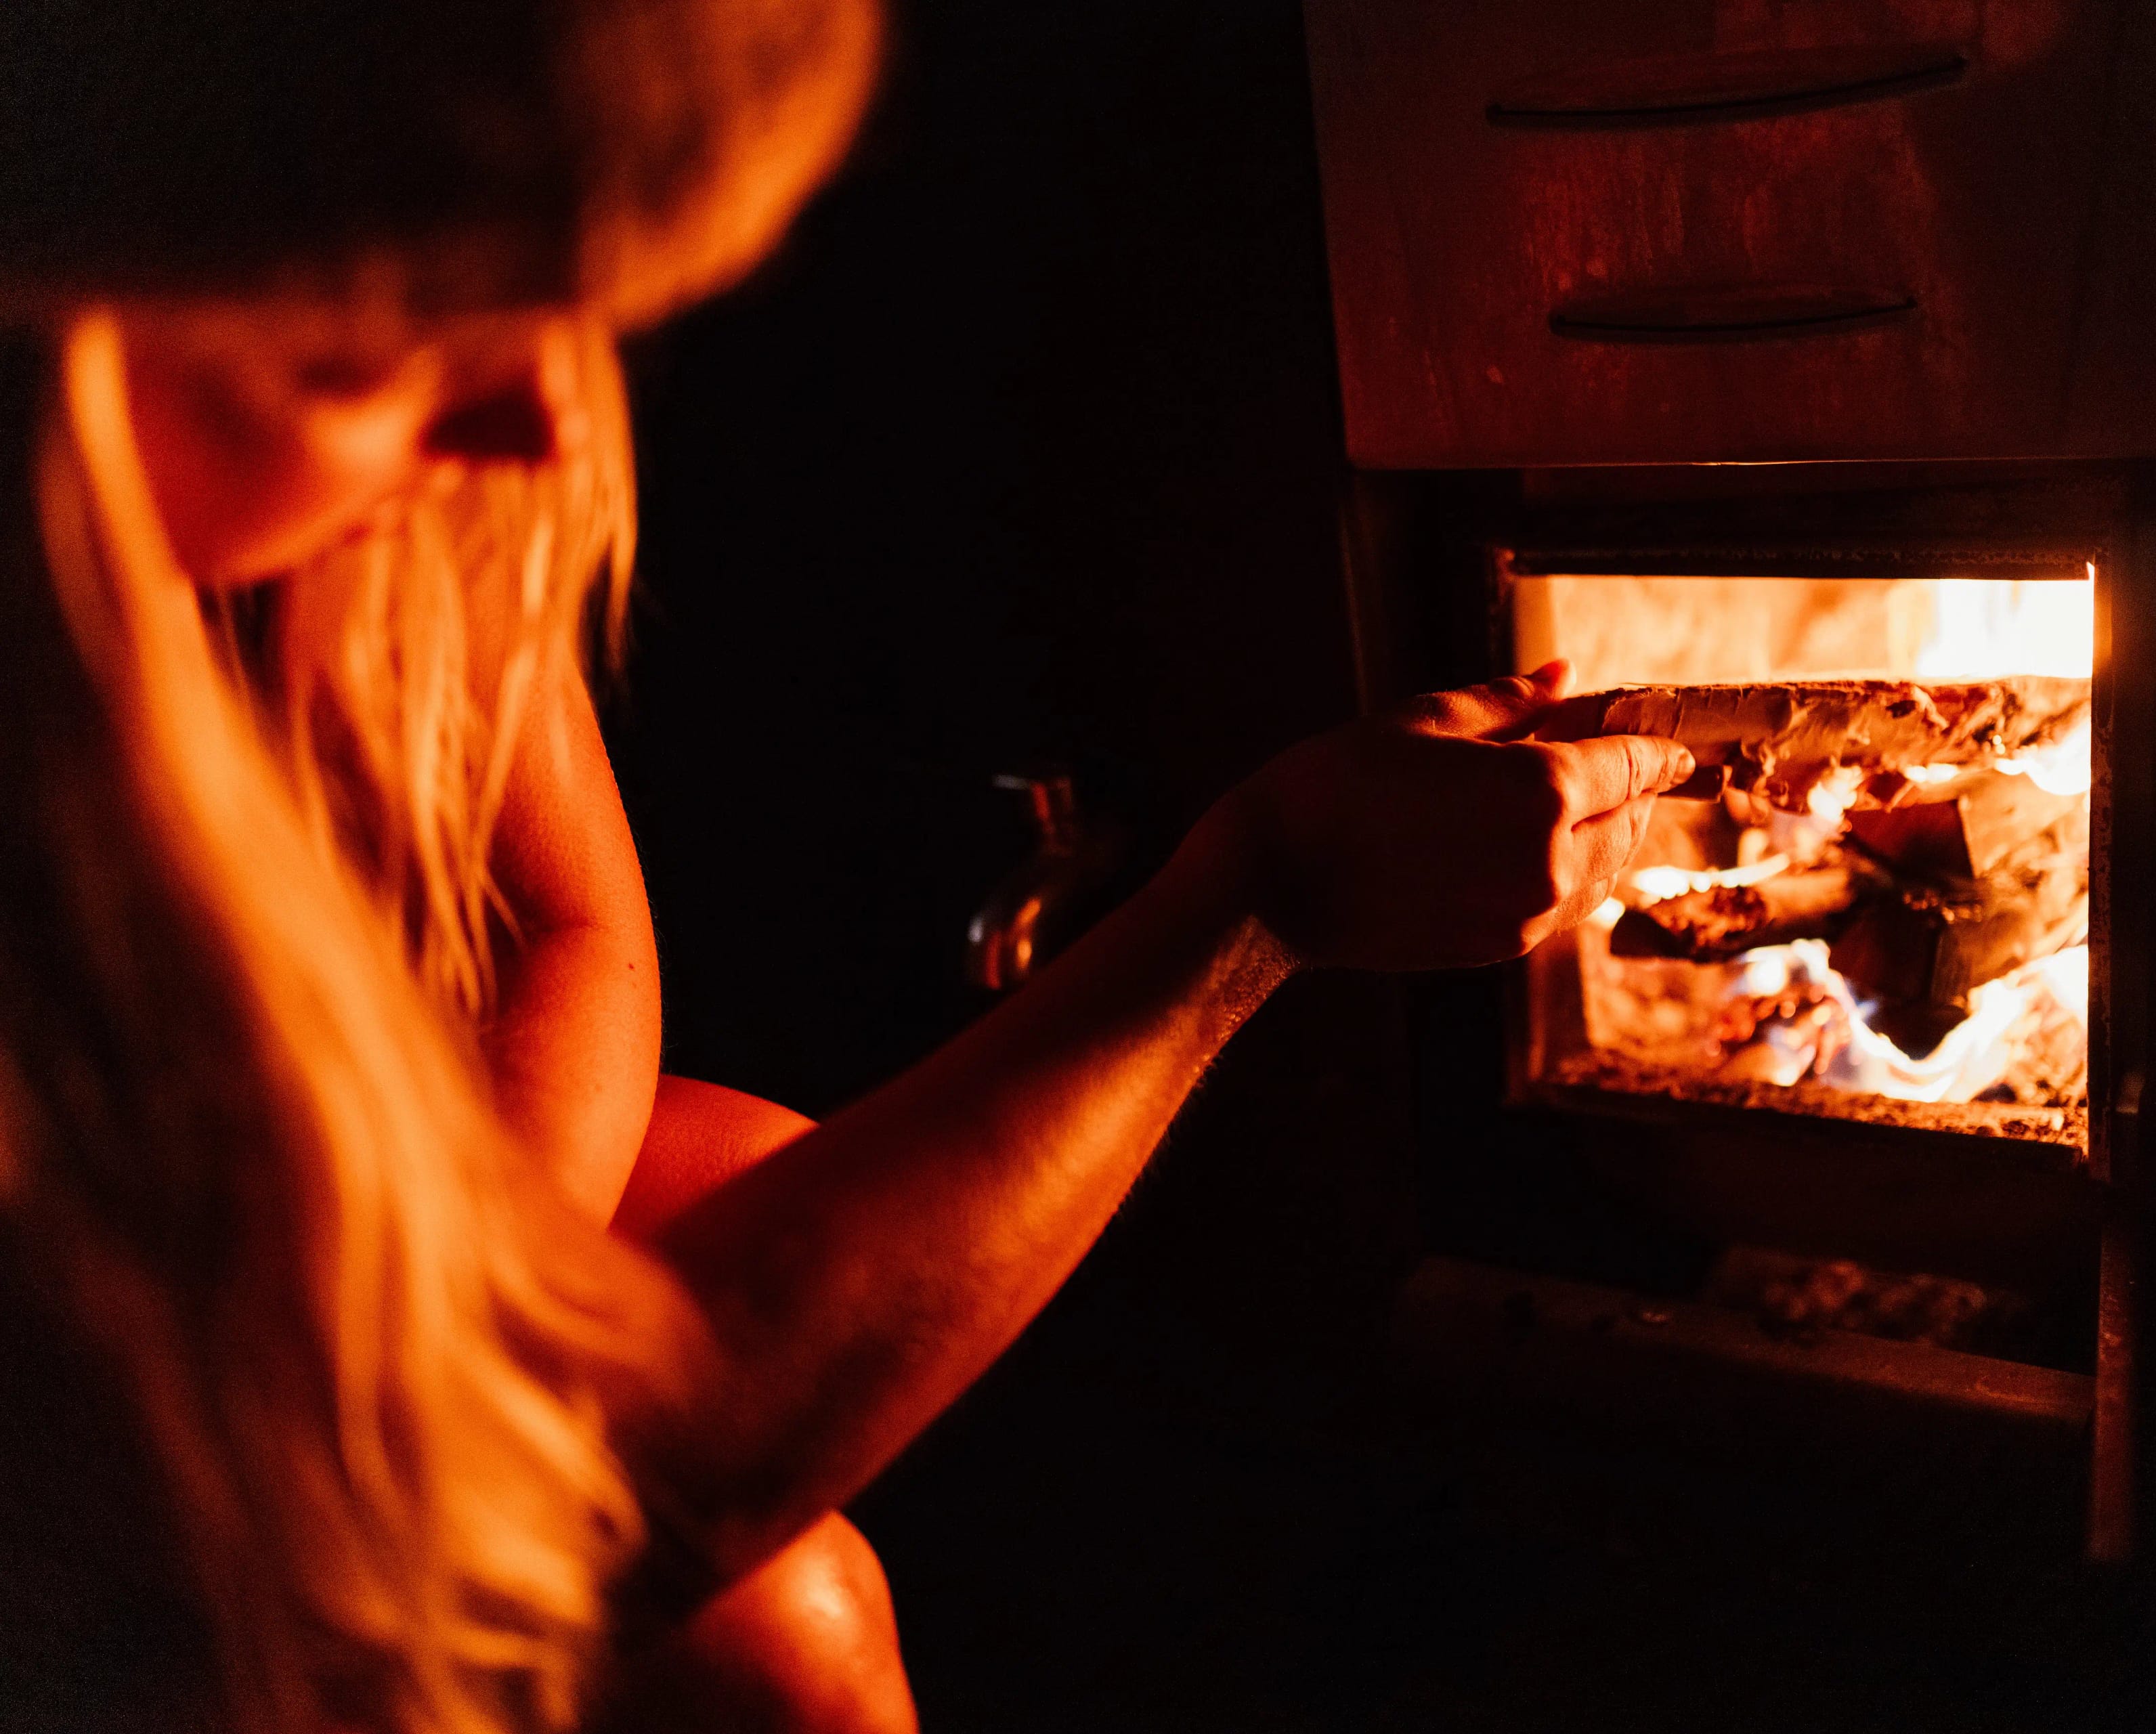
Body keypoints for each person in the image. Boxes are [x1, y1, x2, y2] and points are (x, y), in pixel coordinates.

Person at [0, 3, 1695, 1732]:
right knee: (769, 1595)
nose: (548, 432)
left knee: (740, 1247)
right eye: (366, 351)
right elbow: (404, 1534)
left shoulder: (405, 473)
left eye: (558, 308)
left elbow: (558, 924)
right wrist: (1245, 914)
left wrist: (481, 1301)